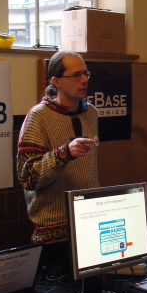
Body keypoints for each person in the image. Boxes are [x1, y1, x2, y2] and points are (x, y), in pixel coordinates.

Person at [17, 51, 99, 246]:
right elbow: (27, 177)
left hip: (89, 221)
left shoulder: (92, 114)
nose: (83, 80)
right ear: (56, 81)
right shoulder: (39, 117)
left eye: (85, 74)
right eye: (75, 75)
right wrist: (64, 153)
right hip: (53, 233)